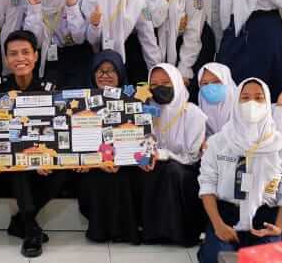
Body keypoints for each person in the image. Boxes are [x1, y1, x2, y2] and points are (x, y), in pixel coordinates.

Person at [197, 78, 282, 263]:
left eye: (258, 98)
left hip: (265, 219)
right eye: (245, 97)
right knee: (218, 258)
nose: (251, 103)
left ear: (267, 103)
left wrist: (279, 227)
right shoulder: (218, 142)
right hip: (227, 216)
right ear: (236, 102)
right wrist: (218, 225)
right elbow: (207, 185)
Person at [0, 31, 63, 258]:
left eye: (25, 52)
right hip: (7, 168)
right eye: (13, 54)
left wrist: (44, 157)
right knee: (18, 164)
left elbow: (58, 129)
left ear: (36, 56)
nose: (20, 58)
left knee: (65, 169)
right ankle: (30, 228)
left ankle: (20, 222)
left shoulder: (50, 88)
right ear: (6, 59)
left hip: (42, 165)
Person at [139, 63, 207, 246]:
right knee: (145, 170)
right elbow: (143, 142)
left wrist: (163, 154)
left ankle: (178, 233)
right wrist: (145, 157)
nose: (159, 88)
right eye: (154, 84)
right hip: (157, 163)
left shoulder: (193, 113)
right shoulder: (148, 110)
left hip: (186, 168)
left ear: (177, 82)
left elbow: (192, 156)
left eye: (165, 83)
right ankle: (152, 232)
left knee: (171, 171)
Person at [76, 50, 139, 244]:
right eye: (100, 71)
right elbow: (76, 140)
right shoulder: (79, 102)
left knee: (121, 177)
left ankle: (124, 231)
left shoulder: (132, 100)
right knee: (95, 177)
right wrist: (95, 161)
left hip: (123, 163)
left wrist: (118, 160)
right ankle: (98, 230)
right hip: (92, 164)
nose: (105, 75)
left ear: (120, 73)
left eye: (111, 70)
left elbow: (135, 138)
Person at [141, 0, 215, 99]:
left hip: (188, 47)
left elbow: (193, 33)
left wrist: (184, 70)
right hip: (153, 45)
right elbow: (151, 23)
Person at [81, 0, 160, 84]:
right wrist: (95, 25)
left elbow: (148, 35)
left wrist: (156, 69)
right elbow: (91, 40)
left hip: (129, 52)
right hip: (97, 55)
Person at [22, 0, 90, 88]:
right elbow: (34, 42)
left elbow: (79, 38)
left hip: (72, 60)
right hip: (40, 60)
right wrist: (35, 7)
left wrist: (71, 6)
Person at [197, 63, 237, 137]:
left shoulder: (241, 111)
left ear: (227, 82)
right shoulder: (197, 115)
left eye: (216, 82)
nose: (210, 87)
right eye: (205, 83)